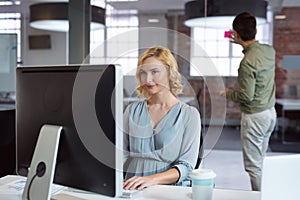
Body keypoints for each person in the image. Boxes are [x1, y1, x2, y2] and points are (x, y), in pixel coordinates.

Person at [123, 46, 201, 190]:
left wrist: (151, 180)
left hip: (170, 190)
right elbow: (120, 155)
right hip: (132, 189)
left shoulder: (189, 115)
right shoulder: (132, 111)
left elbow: (187, 166)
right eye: (143, 73)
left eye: (155, 72)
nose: (148, 79)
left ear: (169, 72)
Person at [220, 12, 277, 191]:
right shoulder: (269, 51)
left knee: (253, 166)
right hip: (270, 113)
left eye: (233, 33)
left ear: (235, 34)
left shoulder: (246, 63)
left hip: (255, 118)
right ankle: (268, 193)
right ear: (255, 30)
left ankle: (261, 196)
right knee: (261, 161)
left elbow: (246, 96)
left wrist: (228, 93)